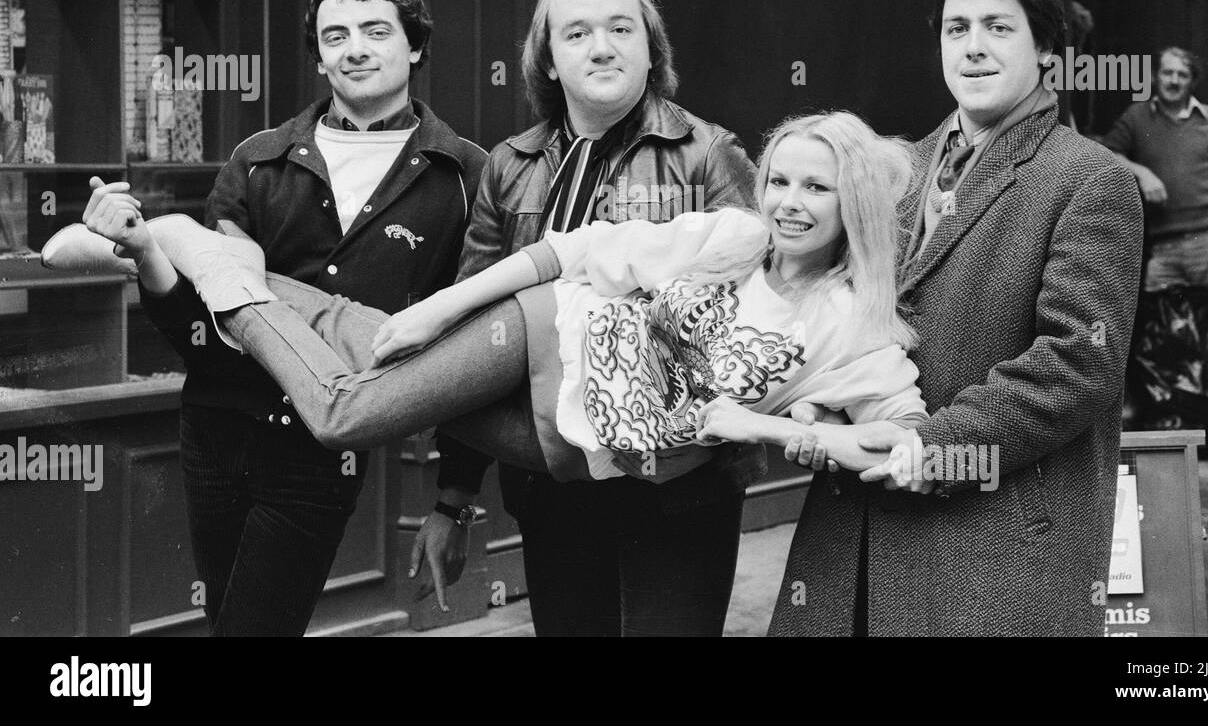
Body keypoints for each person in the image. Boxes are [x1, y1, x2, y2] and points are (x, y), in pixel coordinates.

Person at [54, 112, 927, 532]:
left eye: (816, 187)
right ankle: (208, 262)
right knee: (344, 413)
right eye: (780, 179)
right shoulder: (732, 237)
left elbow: (898, 442)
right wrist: (443, 302)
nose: (789, 202)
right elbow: (574, 250)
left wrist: (771, 427)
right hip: (548, 329)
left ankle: (188, 247)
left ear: (854, 202)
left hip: (573, 448)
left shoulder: (854, 321)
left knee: (363, 344)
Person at [49, 0, 485, 636]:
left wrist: (454, 501)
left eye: (376, 30)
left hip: (322, 446)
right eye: (335, 35)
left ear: (416, 44)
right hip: (215, 434)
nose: (356, 49)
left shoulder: (463, 174)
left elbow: (474, 346)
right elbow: (196, 322)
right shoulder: (258, 160)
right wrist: (141, 251)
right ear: (318, 56)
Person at [770, 0, 1144, 636]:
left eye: (998, 27)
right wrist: (810, 408)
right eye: (956, 28)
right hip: (850, 538)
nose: (973, 46)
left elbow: (1078, 364)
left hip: (989, 547)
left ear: (1046, 49)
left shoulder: (1090, 179)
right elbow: (836, 315)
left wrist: (933, 447)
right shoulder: (894, 168)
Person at [422, 0, 764, 634]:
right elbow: (475, 336)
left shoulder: (708, 153)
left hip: (681, 485)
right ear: (547, 58)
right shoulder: (510, 168)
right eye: (576, 33)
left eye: (620, 28)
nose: (602, 47)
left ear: (649, 45)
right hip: (553, 479)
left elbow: (750, 317)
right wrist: (454, 496)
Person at [1101, 46, 1208, 443]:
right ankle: (1184, 413)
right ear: (1156, 75)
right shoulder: (1137, 116)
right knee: (1161, 334)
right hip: (1165, 244)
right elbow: (1107, 153)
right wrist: (1139, 171)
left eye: (1182, 75)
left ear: (1192, 81)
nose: (1173, 81)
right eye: (1167, 73)